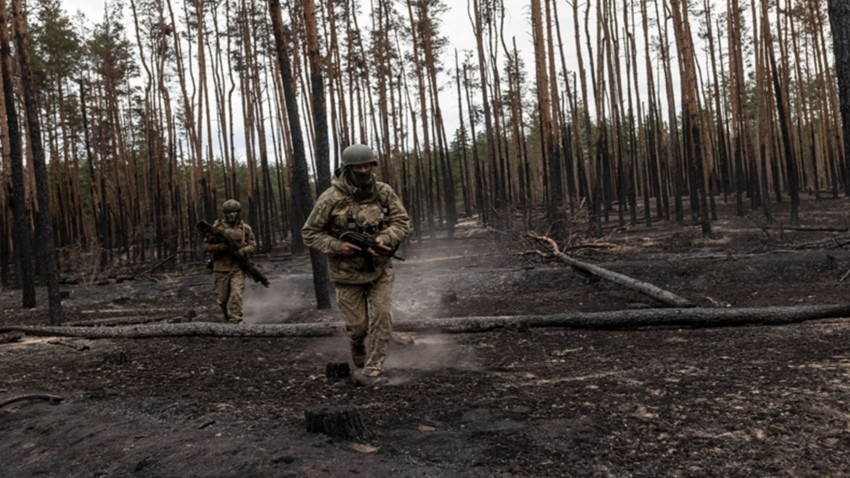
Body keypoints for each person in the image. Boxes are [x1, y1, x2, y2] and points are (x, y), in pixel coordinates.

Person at [302, 144, 410, 387]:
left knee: (382, 318)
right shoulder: (331, 198)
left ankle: (372, 372)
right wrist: (338, 246)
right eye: (357, 167)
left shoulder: (383, 192)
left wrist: (386, 238)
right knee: (357, 327)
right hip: (346, 274)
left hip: (379, 269)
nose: (363, 170)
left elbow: (402, 222)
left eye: (367, 165)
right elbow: (310, 233)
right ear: (348, 168)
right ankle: (357, 346)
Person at [202, 199, 256, 324]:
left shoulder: (245, 229)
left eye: (235, 212)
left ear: (238, 212)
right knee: (222, 299)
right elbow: (205, 246)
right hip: (220, 268)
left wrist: (242, 251)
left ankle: (235, 321)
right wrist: (221, 247)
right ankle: (227, 318)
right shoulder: (216, 229)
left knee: (236, 295)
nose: (232, 215)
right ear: (225, 213)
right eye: (229, 212)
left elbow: (252, 245)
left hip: (238, 267)